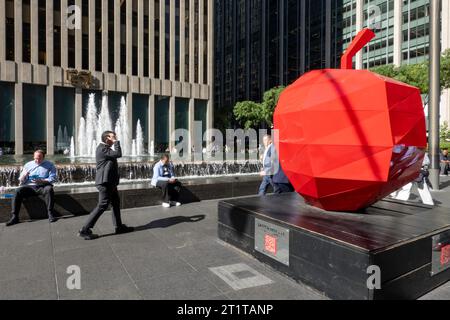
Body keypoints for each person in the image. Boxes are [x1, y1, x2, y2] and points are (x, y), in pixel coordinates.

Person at [78, 131, 134, 240]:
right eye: (113, 136)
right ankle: (84, 230)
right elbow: (118, 154)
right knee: (102, 205)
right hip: (105, 183)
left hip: (110, 182)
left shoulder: (106, 148)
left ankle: (119, 227)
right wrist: (117, 142)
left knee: (116, 203)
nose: (115, 138)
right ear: (107, 138)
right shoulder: (102, 148)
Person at [6, 150, 57, 226]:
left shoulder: (50, 165)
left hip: (43, 186)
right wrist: (24, 176)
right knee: (17, 191)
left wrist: (42, 180)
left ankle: (50, 213)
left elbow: (53, 178)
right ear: (33, 157)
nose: (37, 160)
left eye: (39, 158)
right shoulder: (28, 165)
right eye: (35, 158)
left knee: (49, 189)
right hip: (29, 186)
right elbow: (21, 179)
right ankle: (15, 216)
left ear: (43, 157)